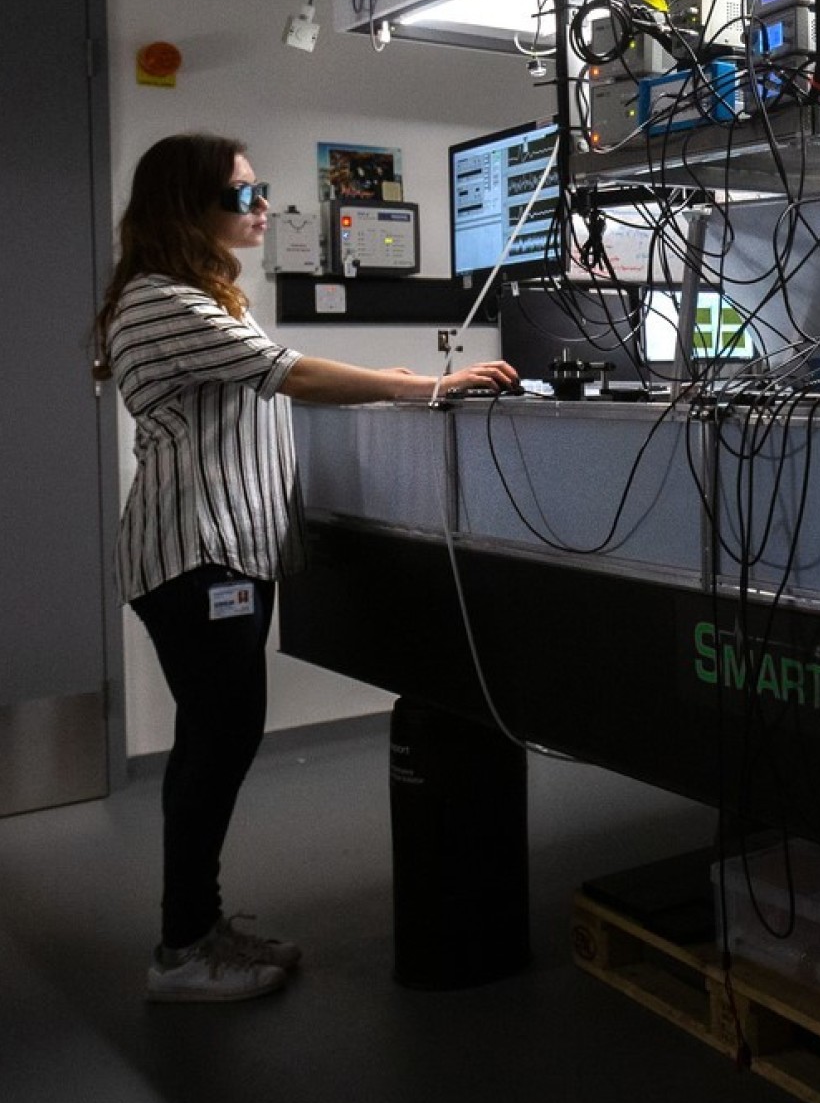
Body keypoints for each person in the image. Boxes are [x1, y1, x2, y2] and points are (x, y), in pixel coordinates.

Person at [93, 132, 517, 1002]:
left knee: (218, 738)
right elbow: (288, 374)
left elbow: (273, 378)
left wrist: (384, 377)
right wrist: (425, 387)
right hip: (197, 551)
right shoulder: (165, 300)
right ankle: (181, 949)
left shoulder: (191, 296)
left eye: (260, 191)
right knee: (217, 743)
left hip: (222, 548)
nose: (261, 209)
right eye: (244, 196)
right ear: (190, 208)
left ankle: (199, 926)